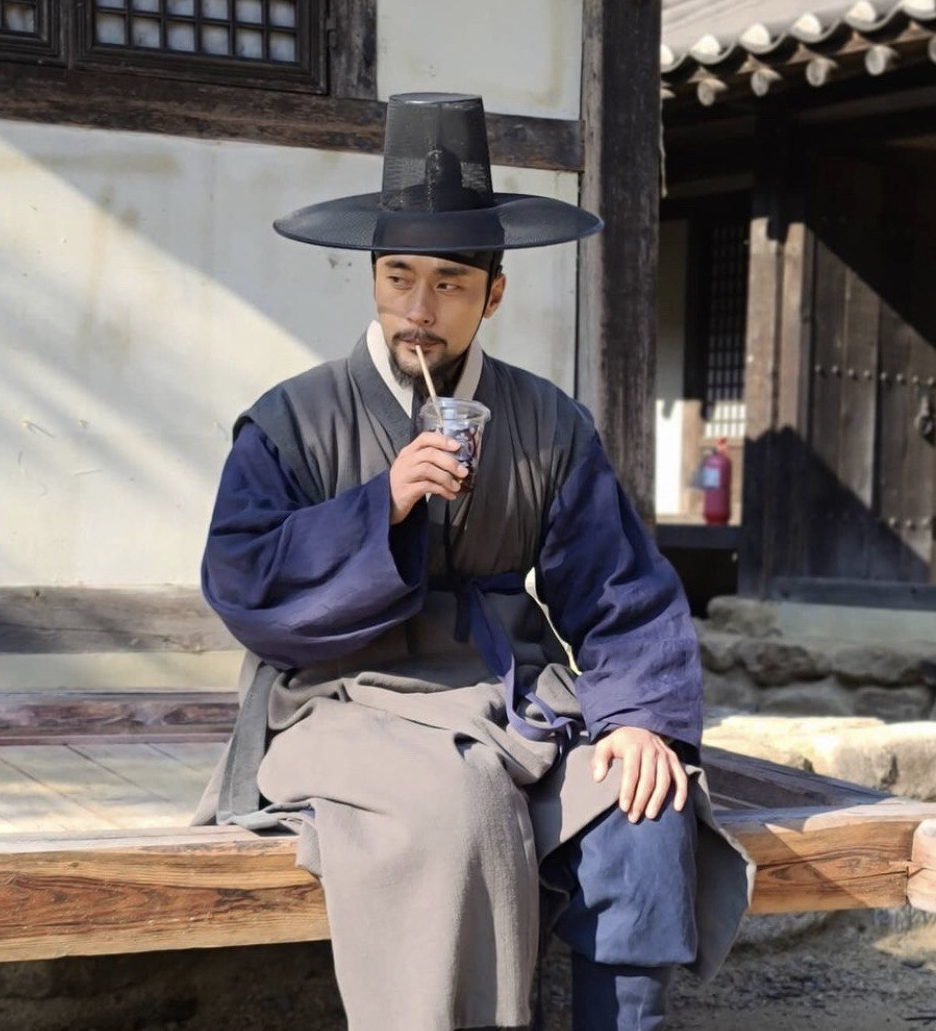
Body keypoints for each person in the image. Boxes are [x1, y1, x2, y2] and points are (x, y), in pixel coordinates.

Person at [196, 93, 753, 1031]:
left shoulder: (547, 424)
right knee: (457, 805)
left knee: (643, 804)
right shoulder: (293, 418)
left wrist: (640, 717)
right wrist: (382, 504)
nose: (419, 310)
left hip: (505, 693)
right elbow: (242, 582)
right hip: (342, 696)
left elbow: (617, 589)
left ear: (493, 294)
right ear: (372, 280)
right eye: (398, 278)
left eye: (449, 284)